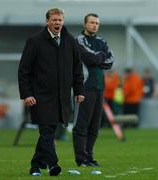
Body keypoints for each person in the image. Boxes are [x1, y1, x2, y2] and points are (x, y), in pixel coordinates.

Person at [18, 8, 85, 176]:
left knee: (49, 131)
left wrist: (79, 90)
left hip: (62, 97)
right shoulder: (34, 41)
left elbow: (77, 69)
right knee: (47, 131)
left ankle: (35, 165)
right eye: (54, 20)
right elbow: (24, 70)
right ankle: (53, 164)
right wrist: (27, 94)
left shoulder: (70, 41)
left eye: (60, 20)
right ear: (47, 21)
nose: (57, 23)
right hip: (40, 97)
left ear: (63, 21)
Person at [72, 13, 114, 167]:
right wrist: (100, 57)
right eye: (91, 22)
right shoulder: (79, 40)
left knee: (95, 126)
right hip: (84, 88)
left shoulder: (102, 41)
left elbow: (111, 60)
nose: (94, 25)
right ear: (85, 24)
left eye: (97, 23)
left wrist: (98, 58)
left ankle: (89, 156)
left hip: (99, 87)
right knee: (82, 125)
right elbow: (89, 57)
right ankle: (81, 158)